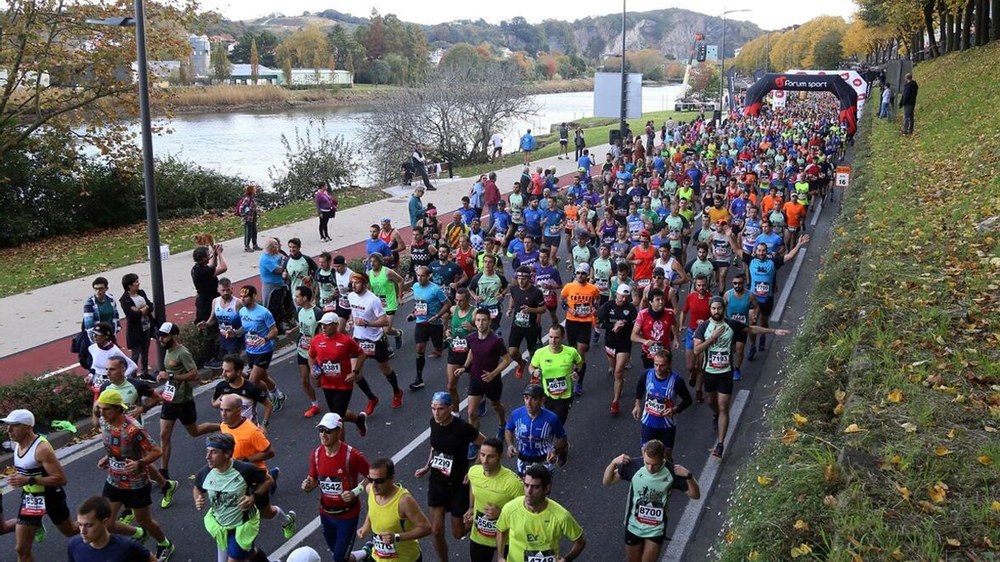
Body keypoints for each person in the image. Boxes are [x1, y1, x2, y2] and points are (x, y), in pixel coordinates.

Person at [693, 296, 790, 459]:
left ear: (724, 309)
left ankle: (720, 444)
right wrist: (712, 338)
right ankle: (716, 415)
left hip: (725, 373)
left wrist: (773, 331)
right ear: (710, 309)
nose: (716, 311)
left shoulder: (731, 324)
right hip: (709, 372)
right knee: (711, 402)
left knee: (724, 407)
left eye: (719, 308)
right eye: (713, 308)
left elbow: (751, 329)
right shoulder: (704, 327)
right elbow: (697, 350)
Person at [93, 389, 175, 560]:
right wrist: (108, 457)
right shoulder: (103, 422)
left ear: (118, 408)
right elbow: (115, 445)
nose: (102, 413)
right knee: (106, 522)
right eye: (100, 409)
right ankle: (139, 534)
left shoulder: (133, 429)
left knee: (144, 520)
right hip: (114, 480)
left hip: (136, 483)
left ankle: (165, 544)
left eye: (106, 409)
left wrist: (139, 463)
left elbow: (156, 451)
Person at [94, 357, 177, 511]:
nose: (108, 373)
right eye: (106, 369)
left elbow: (157, 398)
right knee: (136, 464)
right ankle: (166, 485)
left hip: (134, 433)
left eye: (112, 369)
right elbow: (97, 409)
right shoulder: (105, 387)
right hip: (115, 435)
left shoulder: (136, 384)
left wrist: (142, 408)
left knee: (137, 464)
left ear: (123, 370)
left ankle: (130, 508)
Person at [414, 392, 485, 562]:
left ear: (450, 408)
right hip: (437, 482)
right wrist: (427, 466)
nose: (436, 413)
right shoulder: (434, 423)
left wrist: (473, 470)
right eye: (433, 408)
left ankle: (481, 520)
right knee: (436, 531)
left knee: (457, 533)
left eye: (440, 409)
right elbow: (435, 447)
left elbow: (485, 444)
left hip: (458, 484)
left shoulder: (463, 428)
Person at [601, 440, 700, 562]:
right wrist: (613, 463)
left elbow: (695, 495)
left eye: (655, 464)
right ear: (643, 453)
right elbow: (607, 481)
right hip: (633, 526)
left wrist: (689, 476)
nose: (650, 468)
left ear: (663, 457)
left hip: (655, 529)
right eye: (647, 463)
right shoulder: (634, 466)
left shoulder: (671, 471)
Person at [3, 408, 79, 562]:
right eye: (8, 425)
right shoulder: (17, 444)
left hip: (51, 497)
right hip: (31, 499)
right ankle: (36, 523)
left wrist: (29, 480)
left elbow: (61, 479)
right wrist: (22, 478)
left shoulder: (42, 449)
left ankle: (99, 527)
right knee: (22, 549)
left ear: (28, 427)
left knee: (71, 531)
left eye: (14, 425)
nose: (9, 430)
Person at [218, 395, 297, 539]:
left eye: (227, 410)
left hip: (255, 477)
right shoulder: (224, 425)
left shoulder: (252, 432)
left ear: (238, 410)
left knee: (265, 513)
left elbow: (270, 452)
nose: (223, 414)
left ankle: (287, 521)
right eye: (221, 410)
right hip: (235, 478)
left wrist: (247, 460)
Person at [155, 322, 220, 483]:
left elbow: (195, 375)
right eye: (160, 336)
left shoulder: (183, 353)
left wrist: (171, 376)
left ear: (174, 336)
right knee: (164, 434)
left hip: (183, 401)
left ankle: (222, 426)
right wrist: (163, 376)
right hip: (169, 399)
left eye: (164, 336)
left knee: (194, 431)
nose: (161, 339)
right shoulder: (168, 351)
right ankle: (163, 471)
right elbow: (170, 372)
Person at [193, 433, 273, 562]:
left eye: (213, 452)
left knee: (235, 558)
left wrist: (253, 497)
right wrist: (198, 498)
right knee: (250, 554)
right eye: (207, 451)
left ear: (227, 453)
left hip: (243, 526)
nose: (207, 456)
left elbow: (269, 480)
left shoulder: (244, 469)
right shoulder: (206, 472)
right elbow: (197, 488)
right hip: (220, 526)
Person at [302, 413, 371, 562]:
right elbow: (313, 480)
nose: (323, 434)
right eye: (321, 430)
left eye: (328, 430)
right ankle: (366, 552)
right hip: (326, 514)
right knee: (338, 555)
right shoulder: (316, 454)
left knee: (339, 558)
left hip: (348, 515)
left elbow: (371, 475)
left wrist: (355, 492)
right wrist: (308, 485)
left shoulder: (352, 455)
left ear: (339, 431)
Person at [495, 463, 586, 562]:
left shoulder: (561, 516)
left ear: (547, 488)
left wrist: (567, 559)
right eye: (526, 485)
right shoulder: (510, 509)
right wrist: (500, 557)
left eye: (535, 487)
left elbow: (580, 541)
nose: (529, 492)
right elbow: (501, 529)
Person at [348, 272, 405, 411]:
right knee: (355, 374)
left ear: (365, 284)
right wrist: (351, 320)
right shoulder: (351, 296)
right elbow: (353, 312)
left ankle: (397, 392)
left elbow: (385, 321)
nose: (353, 285)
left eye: (357, 283)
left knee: (385, 370)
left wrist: (366, 323)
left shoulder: (373, 300)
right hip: (358, 339)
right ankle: (372, 398)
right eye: (352, 283)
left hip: (375, 340)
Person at [357, 457, 432, 562]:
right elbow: (373, 508)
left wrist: (397, 537)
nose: (374, 485)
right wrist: (366, 525)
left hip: (405, 559)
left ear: (391, 479)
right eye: (371, 480)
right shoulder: (370, 490)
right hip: (378, 557)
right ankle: (369, 549)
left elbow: (427, 528)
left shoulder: (404, 501)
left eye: (379, 481)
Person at [308, 313, 370, 435]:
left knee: (336, 420)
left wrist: (355, 372)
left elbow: (361, 354)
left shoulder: (346, 341)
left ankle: (339, 446)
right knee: (336, 414)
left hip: (343, 385)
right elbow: (311, 356)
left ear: (336, 325)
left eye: (327, 325)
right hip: (327, 384)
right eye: (322, 325)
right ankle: (359, 420)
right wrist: (313, 369)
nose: (323, 327)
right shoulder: (317, 340)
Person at [456, 308, 512, 441]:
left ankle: (502, 424)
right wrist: (465, 367)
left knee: (496, 406)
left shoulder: (496, 340)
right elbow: (472, 351)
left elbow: (507, 359)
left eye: (484, 320)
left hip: (492, 381)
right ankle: (474, 440)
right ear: (475, 322)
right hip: (475, 378)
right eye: (478, 320)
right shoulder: (471, 338)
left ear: (489, 322)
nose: (480, 323)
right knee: (471, 413)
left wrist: (493, 374)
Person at [464, 438, 523, 562]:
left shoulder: (513, 484)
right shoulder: (474, 472)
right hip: (479, 537)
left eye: (491, 456)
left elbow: (525, 513)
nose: (485, 460)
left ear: (500, 457)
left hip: (506, 540)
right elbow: (473, 486)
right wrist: (471, 507)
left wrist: (501, 514)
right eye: (482, 455)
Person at [632, 350, 692, 459]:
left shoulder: (676, 381)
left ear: (669, 364)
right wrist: (637, 404)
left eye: (662, 365)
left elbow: (688, 400)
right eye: (656, 364)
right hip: (648, 423)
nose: (658, 368)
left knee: (666, 457)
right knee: (646, 456)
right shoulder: (647, 374)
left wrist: (675, 409)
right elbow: (640, 387)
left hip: (666, 425)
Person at [236, 285, 285, 411]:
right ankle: (278, 395)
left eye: (245, 296)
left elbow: (274, 330)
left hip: (264, 350)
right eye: (241, 296)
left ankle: (252, 408)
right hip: (250, 350)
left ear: (253, 296)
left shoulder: (264, 313)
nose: (242, 299)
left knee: (252, 381)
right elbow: (244, 329)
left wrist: (265, 339)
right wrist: (234, 333)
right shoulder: (242, 311)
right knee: (262, 378)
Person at [504, 385, 568, 476]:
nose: (528, 403)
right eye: (526, 398)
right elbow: (508, 429)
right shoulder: (516, 414)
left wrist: (554, 450)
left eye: (533, 399)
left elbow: (562, 438)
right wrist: (510, 445)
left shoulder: (551, 418)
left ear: (542, 400)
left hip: (544, 461)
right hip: (523, 460)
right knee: (525, 484)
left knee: (543, 484)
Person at [67, 496, 154, 562]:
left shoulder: (127, 546)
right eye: (80, 525)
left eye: (88, 525)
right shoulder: (74, 545)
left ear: (104, 522)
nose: (82, 531)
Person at [529, 325, 584, 425]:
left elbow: (580, 363)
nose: (552, 341)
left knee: (556, 423)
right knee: (551, 424)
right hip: (547, 396)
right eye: (550, 337)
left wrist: (576, 372)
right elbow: (531, 367)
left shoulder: (571, 352)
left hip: (565, 396)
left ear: (562, 337)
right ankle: (560, 435)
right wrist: (534, 372)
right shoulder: (540, 353)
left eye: (556, 338)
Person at [409, 266, 452, 392]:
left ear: (429, 276)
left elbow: (447, 304)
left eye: (422, 275)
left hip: (435, 323)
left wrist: (437, 316)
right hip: (421, 322)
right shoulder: (415, 286)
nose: (419, 278)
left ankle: (447, 343)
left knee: (439, 347)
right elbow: (419, 303)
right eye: (418, 275)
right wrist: (413, 313)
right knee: (420, 348)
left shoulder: (436, 289)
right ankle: (419, 379)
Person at [559, 263, 599, 396]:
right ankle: (572, 375)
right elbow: (562, 300)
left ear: (587, 275)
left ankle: (579, 382)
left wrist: (594, 309)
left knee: (581, 351)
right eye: (578, 273)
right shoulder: (569, 287)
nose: (580, 275)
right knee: (572, 352)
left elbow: (597, 301)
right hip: (571, 322)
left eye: (583, 273)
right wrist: (569, 309)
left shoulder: (593, 289)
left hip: (585, 322)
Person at [597, 285, 638, 416]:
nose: (624, 299)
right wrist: (612, 326)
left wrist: (624, 325)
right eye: (622, 296)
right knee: (614, 368)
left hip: (624, 344)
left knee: (618, 371)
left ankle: (615, 402)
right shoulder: (608, 306)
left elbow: (635, 326)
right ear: (616, 294)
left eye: (626, 297)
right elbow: (598, 322)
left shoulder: (631, 308)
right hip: (610, 342)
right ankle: (619, 380)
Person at [212, 354, 273, 427]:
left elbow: (268, 405)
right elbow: (214, 402)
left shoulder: (251, 388)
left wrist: (264, 425)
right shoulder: (221, 386)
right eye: (223, 370)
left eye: (228, 371)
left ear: (238, 372)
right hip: (228, 431)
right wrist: (222, 403)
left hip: (250, 430)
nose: (223, 374)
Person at [86, 321, 138, 402]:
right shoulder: (92, 348)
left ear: (106, 336)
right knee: (97, 407)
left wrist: (119, 378)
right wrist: (90, 375)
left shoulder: (114, 352)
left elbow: (132, 366)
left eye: (98, 335)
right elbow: (94, 366)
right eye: (94, 334)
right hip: (97, 386)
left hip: (111, 387)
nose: (95, 337)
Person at [294, 285, 324, 417]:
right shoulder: (299, 311)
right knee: (304, 380)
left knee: (317, 383)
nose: (295, 298)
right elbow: (300, 326)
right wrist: (292, 331)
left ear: (305, 298)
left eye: (297, 296)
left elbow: (323, 332)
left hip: (315, 353)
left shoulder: (318, 313)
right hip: (302, 351)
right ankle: (315, 405)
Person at [199, 277, 244, 363]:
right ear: (218, 290)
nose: (226, 293)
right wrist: (206, 324)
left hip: (235, 340)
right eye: (223, 290)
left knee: (231, 364)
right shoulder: (215, 301)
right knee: (225, 364)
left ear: (232, 289)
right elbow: (213, 319)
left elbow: (246, 324)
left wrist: (235, 333)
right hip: (223, 339)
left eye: (228, 290)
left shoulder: (238, 303)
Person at [119, 273, 155, 380]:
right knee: (136, 353)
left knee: (145, 351)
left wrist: (141, 309)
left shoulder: (141, 293)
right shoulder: (125, 299)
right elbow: (132, 315)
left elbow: (150, 306)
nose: (138, 283)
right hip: (135, 330)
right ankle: (132, 376)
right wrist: (143, 309)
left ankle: (145, 373)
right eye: (135, 282)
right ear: (129, 285)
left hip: (146, 326)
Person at [236, 183, 261, 252]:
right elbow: (241, 208)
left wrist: (257, 211)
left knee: (254, 232)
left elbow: (253, 207)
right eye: (254, 189)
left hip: (253, 218)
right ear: (251, 190)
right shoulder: (247, 198)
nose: (255, 190)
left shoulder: (252, 198)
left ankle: (255, 245)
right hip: (248, 219)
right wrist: (244, 215)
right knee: (248, 233)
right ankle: (247, 247)